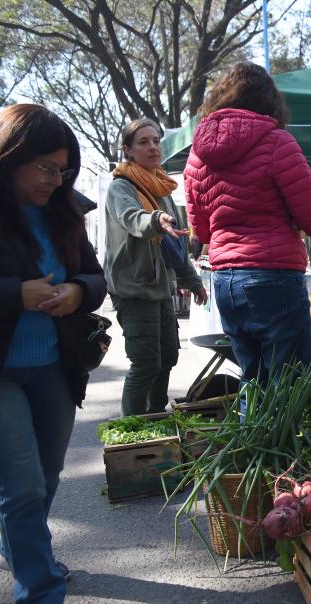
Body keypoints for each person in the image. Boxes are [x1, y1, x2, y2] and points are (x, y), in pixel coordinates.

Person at [0, 104, 107, 604]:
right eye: (47, 169)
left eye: (64, 169)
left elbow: (95, 278)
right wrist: (14, 294)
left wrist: (77, 292)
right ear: (9, 157)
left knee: (46, 478)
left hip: (54, 365)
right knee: (23, 484)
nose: (57, 180)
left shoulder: (65, 210)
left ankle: (16, 547)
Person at [184, 62, 311, 382]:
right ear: (269, 101)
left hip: (225, 281)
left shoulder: (196, 155)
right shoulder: (278, 142)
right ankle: (283, 435)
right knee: (287, 386)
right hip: (273, 276)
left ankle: (248, 432)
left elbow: (203, 231)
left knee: (252, 382)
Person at [104, 118, 207, 416]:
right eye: (143, 142)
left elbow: (175, 248)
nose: (152, 147)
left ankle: (157, 415)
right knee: (145, 362)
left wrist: (192, 281)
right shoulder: (120, 187)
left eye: (156, 141)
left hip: (161, 288)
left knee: (168, 357)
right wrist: (155, 220)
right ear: (128, 150)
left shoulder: (161, 189)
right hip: (134, 289)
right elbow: (131, 218)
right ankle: (134, 428)